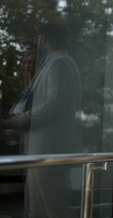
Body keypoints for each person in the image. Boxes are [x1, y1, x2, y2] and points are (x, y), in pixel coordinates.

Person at [6, 22, 82, 218]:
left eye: (39, 37)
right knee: (37, 209)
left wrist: (21, 120)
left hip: (48, 150)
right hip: (42, 150)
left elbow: (55, 103)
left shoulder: (60, 63)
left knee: (52, 207)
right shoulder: (55, 63)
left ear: (45, 38)